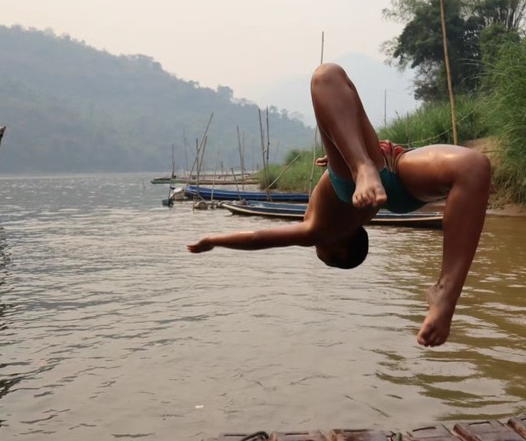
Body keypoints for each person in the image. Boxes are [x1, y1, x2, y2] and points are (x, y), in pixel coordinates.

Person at [188, 63, 491, 347]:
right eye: (323, 256)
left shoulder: (343, 220)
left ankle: (443, 289)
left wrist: (342, 148)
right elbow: (256, 238)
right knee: (326, 76)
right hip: (370, 174)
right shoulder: (318, 231)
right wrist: (213, 240)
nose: (316, 251)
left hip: (388, 178)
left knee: (474, 166)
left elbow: (257, 238)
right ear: (340, 250)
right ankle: (361, 168)